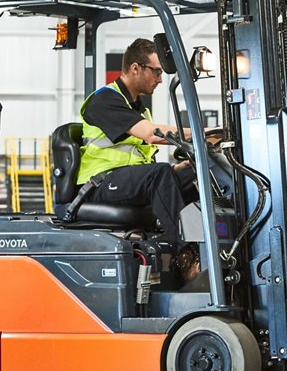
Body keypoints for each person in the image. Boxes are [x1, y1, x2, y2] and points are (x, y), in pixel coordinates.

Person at [77, 38, 198, 246]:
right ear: (135, 68)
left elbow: (140, 160)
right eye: (157, 71)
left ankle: (206, 244)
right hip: (100, 183)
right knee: (159, 174)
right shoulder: (104, 100)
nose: (160, 79)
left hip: (126, 181)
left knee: (194, 173)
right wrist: (201, 134)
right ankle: (186, 254)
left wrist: (178, 169)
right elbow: (152, 134)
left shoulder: (139, 108)